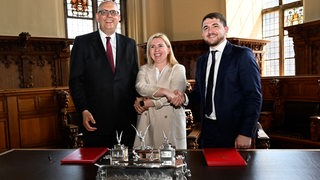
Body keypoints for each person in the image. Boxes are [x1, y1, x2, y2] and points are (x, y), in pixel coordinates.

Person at [68, 0, 139, 148]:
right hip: (95, 121)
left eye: (113, 12)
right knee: (95, 169)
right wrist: (83, 109)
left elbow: (134, 78)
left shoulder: (130, 44)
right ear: (97, 16)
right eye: (104, 12)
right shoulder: (82, 43)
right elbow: (76, 81)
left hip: (125, 121)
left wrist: (139, 100)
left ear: (119, 17)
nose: (109, 16)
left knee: (125, 168)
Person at [189, 12, 262, 149]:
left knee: (237, 171)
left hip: (235, 133)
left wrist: (245, 132)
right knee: (208, 170)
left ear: (226, 29)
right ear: (202, 34)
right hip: (208, 132)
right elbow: (199, 93)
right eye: (205, 28)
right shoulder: (201, 61)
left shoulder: (242, 55)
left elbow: (253, 96)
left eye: (215, 26)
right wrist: (182, 98)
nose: (210, 31)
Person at [133, 33, 187, 149]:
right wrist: (164, 91)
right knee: (145, 163)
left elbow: (175, 96)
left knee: (171, 163)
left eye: (160, 45)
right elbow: (140, 86)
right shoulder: (144, 69)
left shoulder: (178, 69)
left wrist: (149, 103)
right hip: (146, 124)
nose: (156, 50)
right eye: (152, 47)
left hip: (171, 124)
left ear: (168, 49)